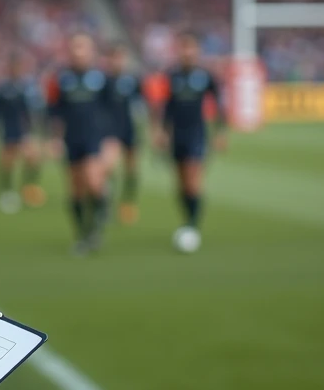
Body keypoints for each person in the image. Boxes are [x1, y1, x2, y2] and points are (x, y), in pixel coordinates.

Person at [151, 32, 226, 241]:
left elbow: (219, 104)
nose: (187, 52)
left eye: (191, 48)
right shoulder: (170, 76)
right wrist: (161, 132)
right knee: (181, 184)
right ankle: (187, 220)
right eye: (183, 48)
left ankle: (193, 226)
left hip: (197, 134)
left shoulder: (206, 76)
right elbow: (165, 107)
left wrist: (220, 132)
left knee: (193, 181)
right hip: (177, 135)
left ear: (198, 51)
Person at [46, 33, 110, 253]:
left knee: (94, 182)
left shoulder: (101, 78)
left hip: (94, 139)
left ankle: (98, 219)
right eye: (75, 47)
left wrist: (111, 139)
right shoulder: (61, 79)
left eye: (83, 47)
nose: (79, 52)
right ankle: (83, 233)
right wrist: (54, 138)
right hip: (71, 139)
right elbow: (54, 111)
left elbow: (111, 109)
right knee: (76, 191)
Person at [0, 51, 45, 213]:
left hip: (23, 131)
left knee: (33, 159)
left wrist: (32, 130)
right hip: (8, 130)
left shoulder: (25, 87)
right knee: (6, 164)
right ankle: (6, 192)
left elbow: (29, 111)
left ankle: (27, 188)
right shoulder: (3, 88)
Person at [100, 43, 143, 224]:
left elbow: (140, 104)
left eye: (121, 57)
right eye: (114, 57)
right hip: (109, 131)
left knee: (131, 169)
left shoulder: (132, 80)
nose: (118, 62)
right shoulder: (102, 81)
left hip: (129, 129)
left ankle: (127, 204)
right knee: (107, 168)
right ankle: (104, 205)